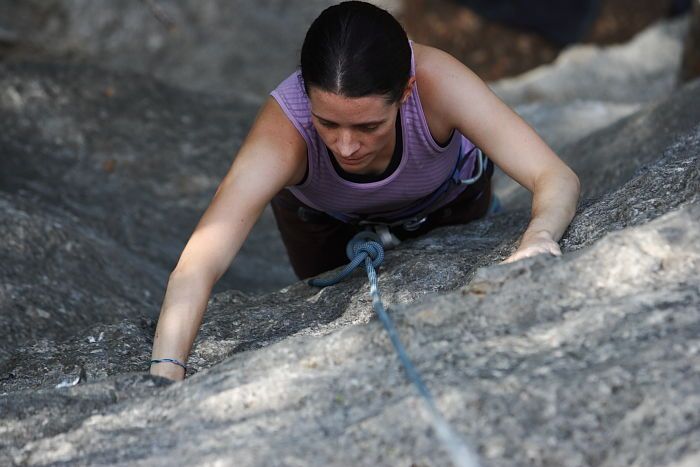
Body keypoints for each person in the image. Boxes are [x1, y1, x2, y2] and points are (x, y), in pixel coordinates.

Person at [150, 1, 580, 381]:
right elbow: (198, 265)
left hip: (448, 201)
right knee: (323, 294)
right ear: (306, 96)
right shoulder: (284, 126)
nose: (346, 146)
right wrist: (166, 375)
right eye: (327, 123)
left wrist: (539, 236)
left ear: (406, 92)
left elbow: (554, 176)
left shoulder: (438, 82)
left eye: (368, 125)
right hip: (324, 222)